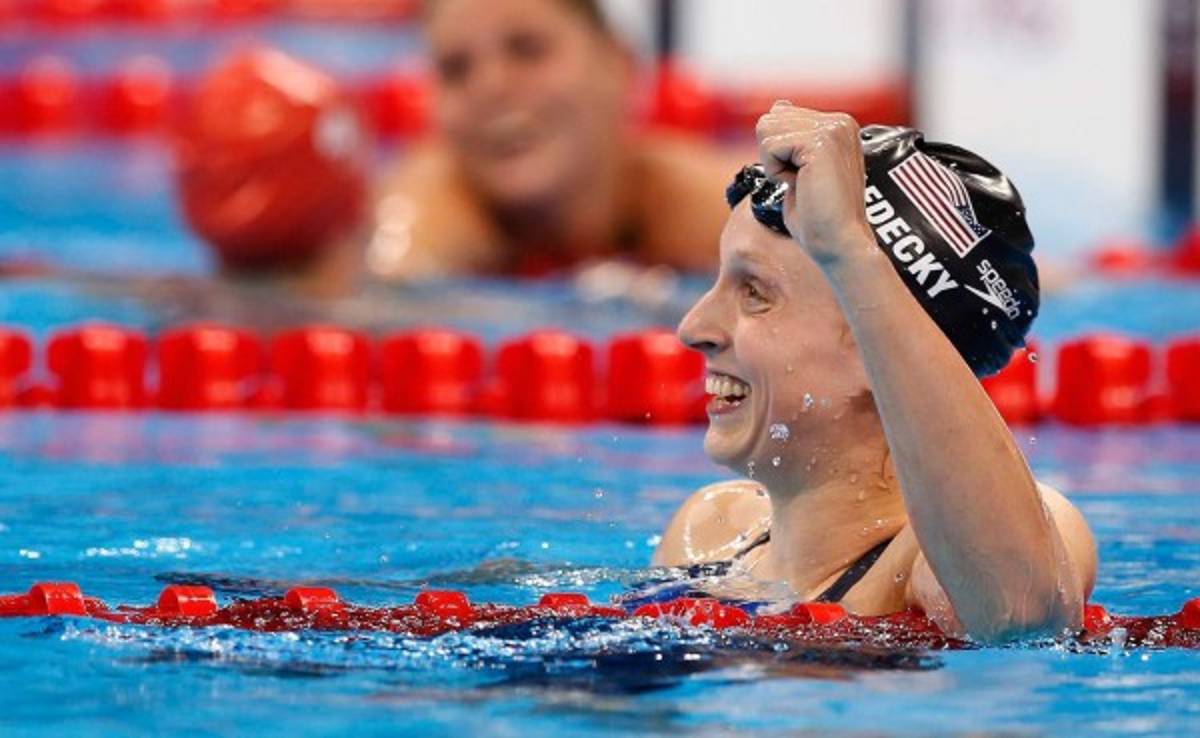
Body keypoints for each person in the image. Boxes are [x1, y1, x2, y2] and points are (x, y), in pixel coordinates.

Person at [651, 103, 1097, 641]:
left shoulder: (980, 549)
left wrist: (850, 251)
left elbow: (1018, 618)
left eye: (754, 293)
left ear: (873, 342)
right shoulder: (710, 530)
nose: (693, 326)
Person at [177, 0, 740, 294]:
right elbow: (376, 303)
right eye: (456, 69)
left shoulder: (701, 203)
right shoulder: (425, 216)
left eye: (528, 49)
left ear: (619, 66)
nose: (491, 87)